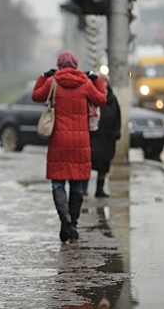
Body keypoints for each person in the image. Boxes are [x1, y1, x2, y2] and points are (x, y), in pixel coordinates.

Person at [32, 50, 107, 242]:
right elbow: (101, 99)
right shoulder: (85, 83)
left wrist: (43, 77)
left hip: (59, 140)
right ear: (75, 64)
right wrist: (95, 79)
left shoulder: (53, 82)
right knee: (76, 182)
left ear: (58, 65)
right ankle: (73, 223)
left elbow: (36, 96)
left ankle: (64, 219)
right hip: (80, 142)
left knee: (58, 182)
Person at [83, 72, 122, 198]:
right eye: (100, 81)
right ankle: (84, 189)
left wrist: (116, 132)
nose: (102, 84)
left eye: (104, 82)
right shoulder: (90, 97)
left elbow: (118, 117)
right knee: (88, 163)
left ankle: (100, 190)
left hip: (107, 138)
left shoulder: (112, 98)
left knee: (104, 165)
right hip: (93, 136)